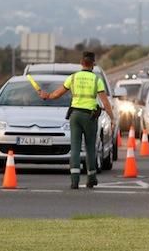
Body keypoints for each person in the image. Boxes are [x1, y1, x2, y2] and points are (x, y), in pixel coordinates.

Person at [39, 51, 114, 190]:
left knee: (75, 147)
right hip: (90, 117)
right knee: (90, 147)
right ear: (93, 64)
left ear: (81, 63)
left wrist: (47, 95)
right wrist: (112, 117)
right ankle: (91, 178)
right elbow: (105, 102)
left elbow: (57, 94)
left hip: (75, 115)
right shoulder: (96, 80)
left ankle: (74, 181)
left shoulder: (73, 78)